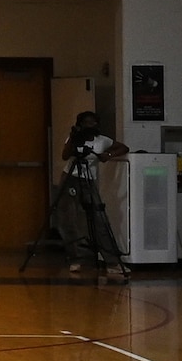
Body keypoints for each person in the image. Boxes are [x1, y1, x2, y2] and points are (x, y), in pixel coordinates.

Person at [57, 110, 128, 275]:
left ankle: (111, 262)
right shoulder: (75, 138)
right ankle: (75, 259)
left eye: (94, 123)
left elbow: (123, 147)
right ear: (81, 124)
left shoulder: (102, 140)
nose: (91, 126)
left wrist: (108, 154)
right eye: (87, 123)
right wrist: (73, 137)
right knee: (68, 219)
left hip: (89, 180)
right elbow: (65, 155)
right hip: (71, 178)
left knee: (99, 219)